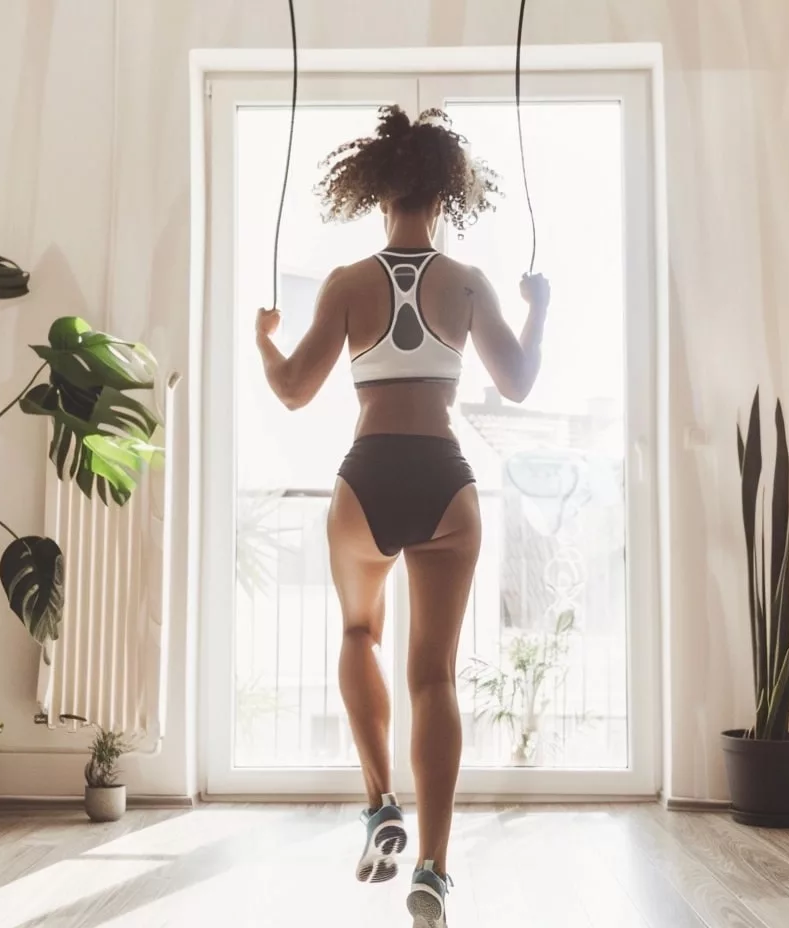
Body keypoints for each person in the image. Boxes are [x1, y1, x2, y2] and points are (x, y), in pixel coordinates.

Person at [254, 105, 550, 928]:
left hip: (368, 476)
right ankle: (432, 869)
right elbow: (519, 381)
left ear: (378, 191)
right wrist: (540, 307)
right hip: (444, 477)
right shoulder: (466, 284)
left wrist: (265, 338)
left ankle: (381, 803)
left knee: (359, 636)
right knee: (435, 678)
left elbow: (292, 390)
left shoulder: (350, 283)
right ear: (445, 195)